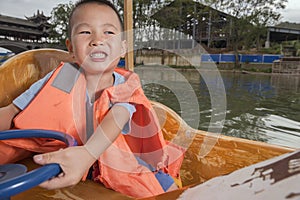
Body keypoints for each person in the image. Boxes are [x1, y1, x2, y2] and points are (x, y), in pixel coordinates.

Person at [0, 0, 184, 198]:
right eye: (85, 32)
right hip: (65, 154)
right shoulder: (61, 77)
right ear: (70, 48)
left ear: (122, 48)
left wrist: (88, 154)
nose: (97, 40)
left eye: (109, 32)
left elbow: (117, 117)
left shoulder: (124, 86)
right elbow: (12, 111)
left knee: (167, 188)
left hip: (118, 157)